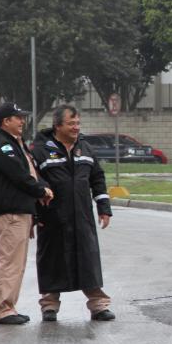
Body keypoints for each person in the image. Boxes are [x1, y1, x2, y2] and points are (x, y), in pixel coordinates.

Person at [31, 104, 115, 322]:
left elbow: (97, 179)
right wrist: (35, 216)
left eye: (78, 123)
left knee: (88, 260)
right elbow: (32, 183)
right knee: (52, 261)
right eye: (71, 123)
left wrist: (104, 209)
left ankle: (98, 305)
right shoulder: (40, 150)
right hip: (52, 219)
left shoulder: (85, 148)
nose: (76, 127)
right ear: (58, 125)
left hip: (82, 217)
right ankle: (49, 306)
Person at [0, 102, 53, 325]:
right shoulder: (2, 145)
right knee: (10, 262)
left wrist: (42, 188)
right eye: (18, 118)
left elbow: (32, 171)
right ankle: (1, 310)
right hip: (10, 211)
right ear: (6, 121)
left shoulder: (17, 144)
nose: (22, 121)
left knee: (17, 263)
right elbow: (19, 175)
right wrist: (40, 190)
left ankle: (8, 307)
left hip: (21, 210)